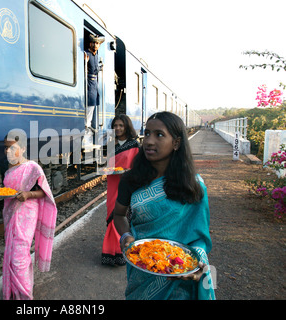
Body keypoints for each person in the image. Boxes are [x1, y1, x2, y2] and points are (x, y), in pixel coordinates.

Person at [113, 112, 216, 300]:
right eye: (147, 133)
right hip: (141, 269)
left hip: (179, 276)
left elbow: (200, 237)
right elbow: (118, 215)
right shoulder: (130, 179)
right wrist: (126, 237)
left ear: (176, 143)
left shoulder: (193, 186)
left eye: (159, 135)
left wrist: (197, 262)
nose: (149, 141)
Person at [1, 130, 58, 300]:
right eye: (5, 148)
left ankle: (25, 296)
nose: (7, 151)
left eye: (12, 148)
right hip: (10, 213)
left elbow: (45, 193)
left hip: (26, 214)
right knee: (12, 254)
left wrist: (28, 194)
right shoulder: (8, 170)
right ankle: (13, 291)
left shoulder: (32, 167)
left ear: (23, 148)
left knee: (19, 256)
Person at [101, 114, 139, 266]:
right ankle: (110, 252)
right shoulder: (112, 145)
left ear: (127, 127)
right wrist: (105, 169)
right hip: (112, 183)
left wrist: (128, 171)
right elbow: (110, 165)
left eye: (121, 126)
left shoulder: (134, 145)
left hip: (127, 184)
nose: (117, 128)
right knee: (111, 214)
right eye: (115, 126)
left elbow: (138, 167)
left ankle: (122, 251)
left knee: (122, 215)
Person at [84, 34, 104, 134]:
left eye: (97, 43)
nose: (96, 45)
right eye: (94, 43)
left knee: (93, 102)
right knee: (90, 102)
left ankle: (89, 123)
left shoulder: (96, 55)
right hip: (89, 80)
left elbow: (95, 69)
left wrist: (100, 68)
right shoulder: (87, 53)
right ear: (90, 43)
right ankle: (86, 124)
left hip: (95, 82)